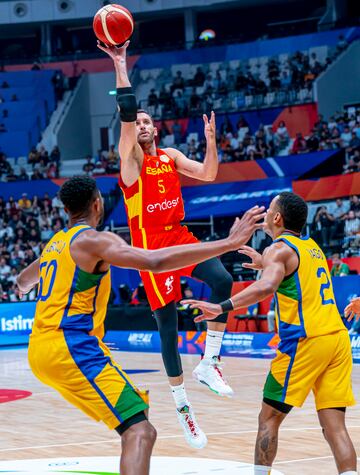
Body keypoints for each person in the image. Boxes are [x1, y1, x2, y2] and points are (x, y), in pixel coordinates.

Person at [16, 176, 264, 473]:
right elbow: (154, 262)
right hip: (70, 347)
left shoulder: (56, 243)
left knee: (137, 411)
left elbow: (22, 282)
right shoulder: (95, 240)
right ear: (98, 204)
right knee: (141, 432)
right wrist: (228, 243)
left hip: (42, 348)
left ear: (67, 209)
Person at [98, 40, 238, 448]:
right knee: (167, 326)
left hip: (180, 236)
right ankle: (182, 406)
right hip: (153, 252)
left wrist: (211, 140)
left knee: (223, 280)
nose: (140, 125)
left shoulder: (171, 157)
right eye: (135, 122)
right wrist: (120, 64)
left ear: (155, 128)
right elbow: (126, 113)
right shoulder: (131, 163)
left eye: (146, 121)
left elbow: (210, 175)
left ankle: (210, 362)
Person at [183, 192, 357, 475]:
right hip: (337, 339)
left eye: (269, 210)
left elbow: (266, 288)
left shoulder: (277, 249)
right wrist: (266, 264)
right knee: (334, 425)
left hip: (306, 341)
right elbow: (295, 275)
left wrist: (221, 306)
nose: (264, 215)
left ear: (277, 217)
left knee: (269, 418)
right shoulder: (311, 247)